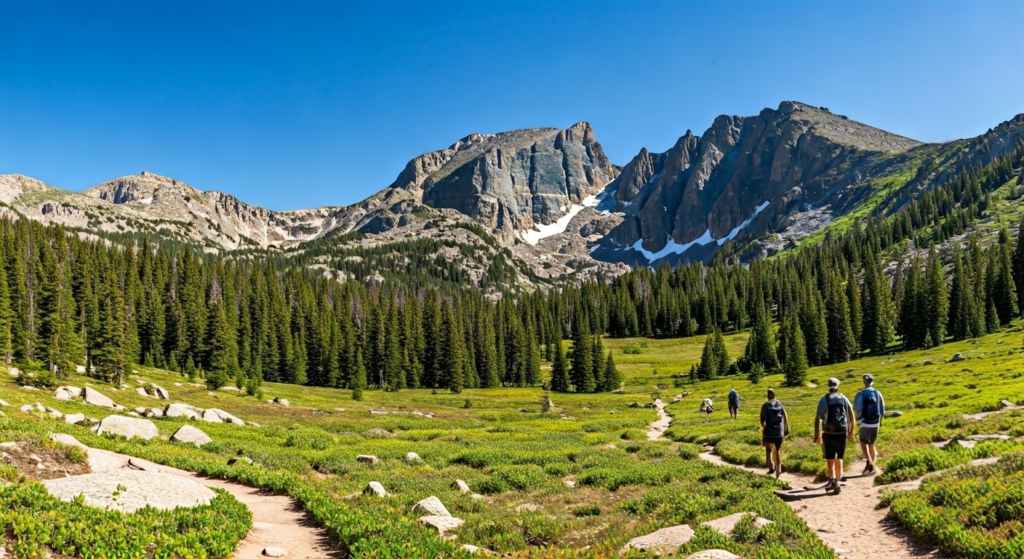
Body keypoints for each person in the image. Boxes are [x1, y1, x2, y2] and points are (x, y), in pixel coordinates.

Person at [814, 377, 856, 494]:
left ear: (829, 386)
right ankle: (837, 481)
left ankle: (833, 480)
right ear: (837, 386)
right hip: (842, 432)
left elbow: (820, 416)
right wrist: (850, 432)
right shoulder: (844, 398)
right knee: (839, 457)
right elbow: (851, 415)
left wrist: (818, 434)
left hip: (829, 433)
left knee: (830, 459)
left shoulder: (824, 399)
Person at [853, 373, 885, 474]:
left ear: (864, 382)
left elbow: (856, 408)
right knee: (872, 443)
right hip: (875, 422)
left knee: (863, 443)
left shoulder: (861, 393)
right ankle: (873, 463)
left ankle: (869, 463)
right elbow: (882, 409)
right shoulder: (877, 392)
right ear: (872, 381)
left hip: (864, 423)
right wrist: (880, 421)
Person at [760, 388, 789, 478]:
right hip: (779, 432)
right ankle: (778, 469)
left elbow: (763, 421)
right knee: (777, 450)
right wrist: (785, 431)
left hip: (769, 432)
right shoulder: (780, 405)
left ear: (767, 396)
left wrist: (764, 430)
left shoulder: (765, 406)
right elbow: (785, 417)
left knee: (768, 450)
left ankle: (771, 467)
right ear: (774, 395)